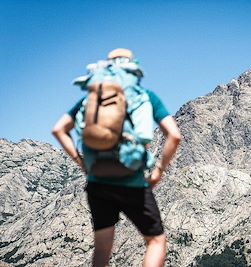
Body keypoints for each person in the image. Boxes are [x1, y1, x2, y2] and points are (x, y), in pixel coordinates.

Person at [52, 48, 181, 267]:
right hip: (133, 182)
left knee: (102, 248)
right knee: (155, 241)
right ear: (132, 66)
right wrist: (158, 171)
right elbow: (175, 135)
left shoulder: (90, 100)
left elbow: (58, 129)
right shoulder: (144, 96)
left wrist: (81, 162)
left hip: (97, 182)